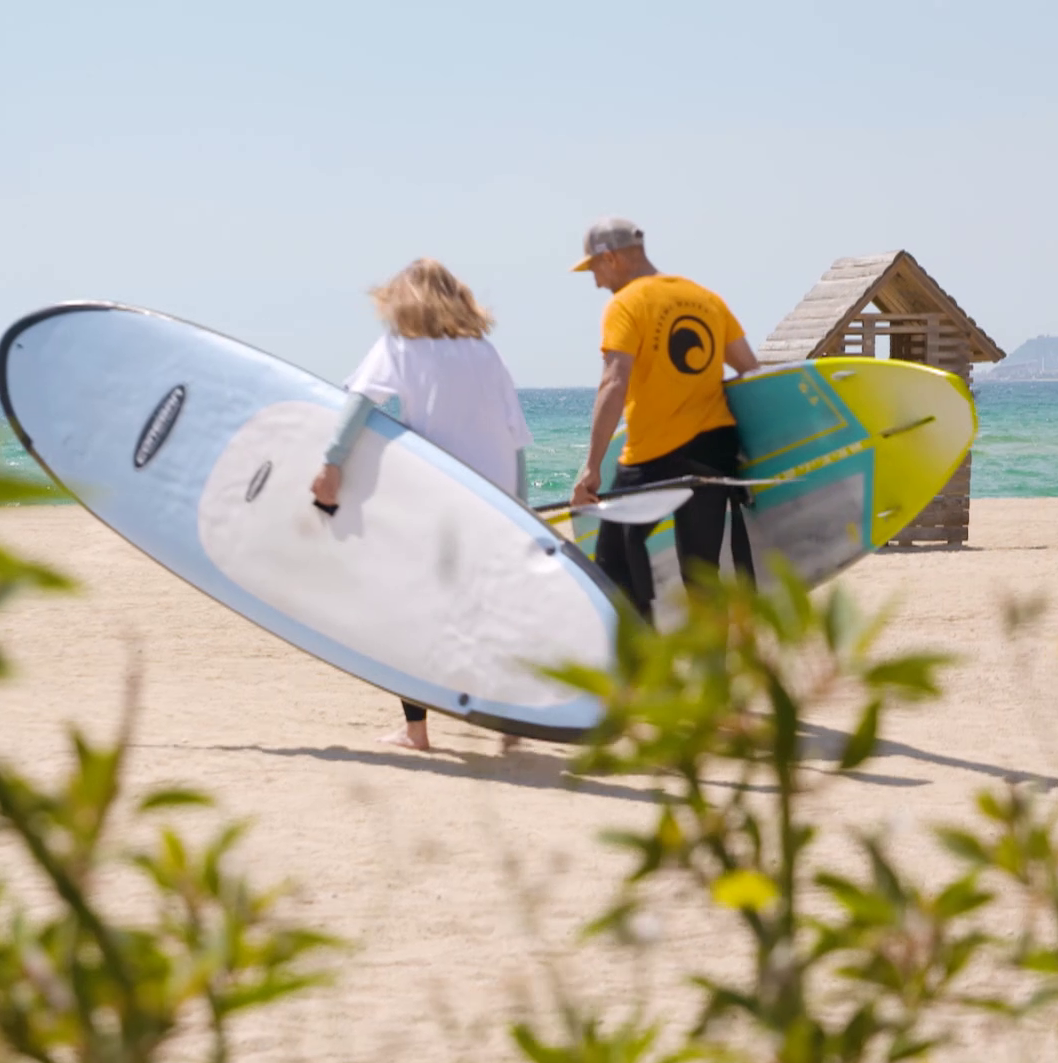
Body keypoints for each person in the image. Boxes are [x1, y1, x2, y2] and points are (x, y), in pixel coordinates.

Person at [310, 258, 532, 752]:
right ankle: (511, 723)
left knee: (408, 609)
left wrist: (332, 464)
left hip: (441, 493)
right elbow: (517, 438)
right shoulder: (485, 352)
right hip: (494, 500)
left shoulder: (400, 345)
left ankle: (417, 732)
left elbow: (358, 405)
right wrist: (522, 511)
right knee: (485, 609)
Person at [566, 217, 761, 622]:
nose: (596, 281)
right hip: (714, 450)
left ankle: (641, 670)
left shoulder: (626, 303)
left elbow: (614, 382)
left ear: (612, 258)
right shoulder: (705, 298)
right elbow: (748, 369)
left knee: (614, 566)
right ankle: (715, 677)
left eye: (595, 269)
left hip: (653, 456)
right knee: (703, 580)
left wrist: (591, 467)